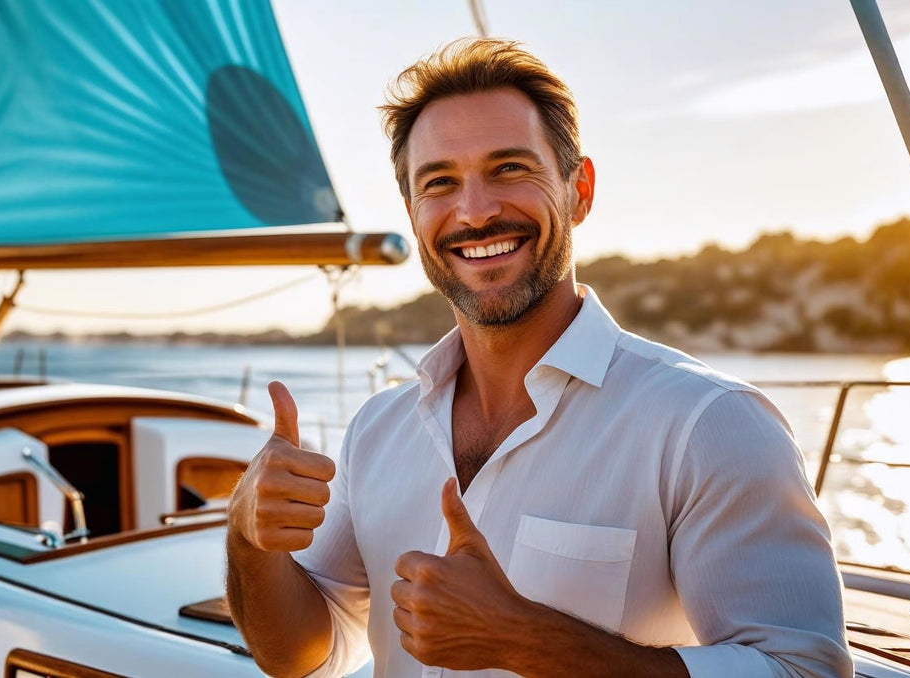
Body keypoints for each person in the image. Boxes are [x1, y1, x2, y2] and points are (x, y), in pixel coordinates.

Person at [225, 37, 852, 678]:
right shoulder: (375, 431)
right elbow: (301, 654)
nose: (475, 211)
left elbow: (804, 669)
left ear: (579, 189)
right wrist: (247, 539)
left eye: (510, 169)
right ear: (414, 215)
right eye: (439, 183)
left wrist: (525, 641)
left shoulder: (709, 425)